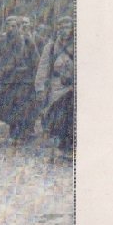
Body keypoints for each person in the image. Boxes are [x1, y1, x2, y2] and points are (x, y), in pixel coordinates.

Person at [35, 16, 76, 153]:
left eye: (67, 27)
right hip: (57, 86)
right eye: (61, 27)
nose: (64, 30)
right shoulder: (51, 47)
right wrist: (40, 87)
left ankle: (70, 144)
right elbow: (44, 66)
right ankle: (62, 143)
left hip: (73, 86)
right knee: (57, 115)